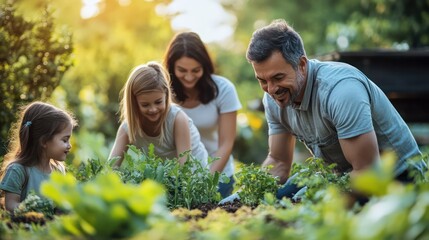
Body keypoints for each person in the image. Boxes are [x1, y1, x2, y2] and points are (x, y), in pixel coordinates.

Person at [221, 19, 427, 203]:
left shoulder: (341, 91)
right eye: (262, 80)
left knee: (299, 210)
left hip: (396, 179)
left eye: (278, 78)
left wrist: (315, 207)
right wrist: (246, 197)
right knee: (281, 198)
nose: (271, 89)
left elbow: (366, 173)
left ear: (301, 65)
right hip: (340, 177)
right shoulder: (273, 98)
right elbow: (278, 161)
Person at [163, 32, 242, 198]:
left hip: (217, 175)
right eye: (182, 70)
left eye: (196, 70)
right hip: (177, 178)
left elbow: (226, 144)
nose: (189, 77)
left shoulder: (223, 89)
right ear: (171, 67)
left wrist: (206, 182)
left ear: (204, 66)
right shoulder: (163, 92)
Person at [108, 61, 208, 169]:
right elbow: (111, 167)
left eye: (158, 102)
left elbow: (185, 168)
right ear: (134, 103)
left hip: (195, 177)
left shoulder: (177, 119)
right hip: (166, 176)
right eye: (145, 105)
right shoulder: (128, 127)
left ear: (166, 94)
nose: (153, 109)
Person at [0, 101, 77, 212]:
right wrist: (32, 209)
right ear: (44, 141)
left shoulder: (58, 171)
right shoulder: (18, 170)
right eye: (64, 140)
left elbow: (59, 208)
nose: (69, 145)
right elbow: (10, 205)